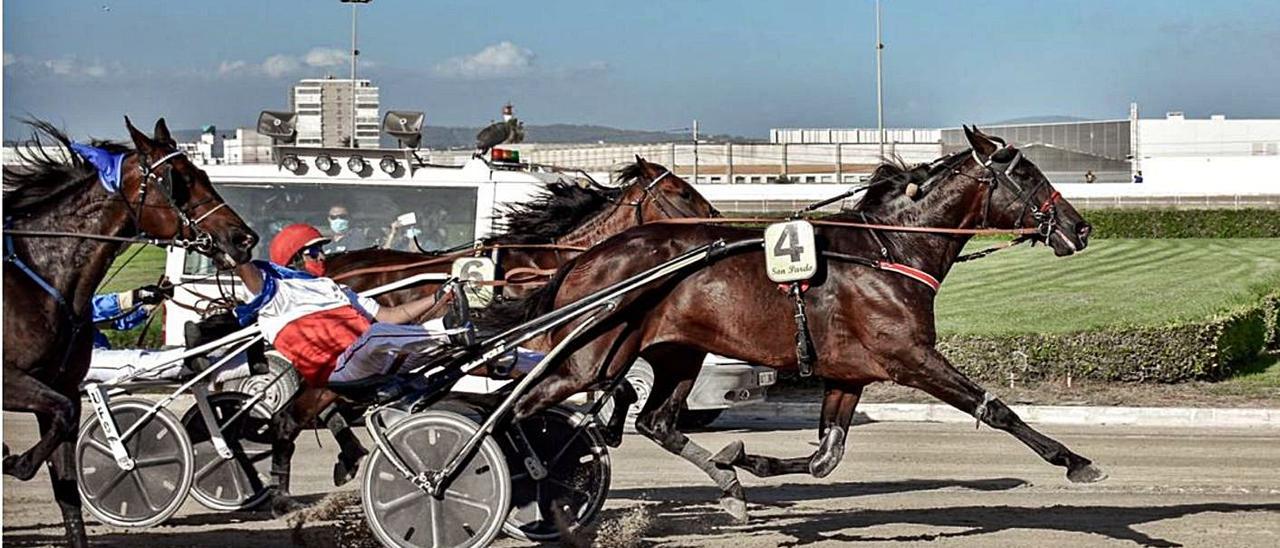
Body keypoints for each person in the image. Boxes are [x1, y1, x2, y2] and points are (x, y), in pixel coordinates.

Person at [234, 223, 469, 389]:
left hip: (372, 360)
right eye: (314, 252)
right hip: (337, 369)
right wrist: (236, 251)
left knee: (446, 351)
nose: (323, 257)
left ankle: (479, 340)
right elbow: (249, 273)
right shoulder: (276, 294)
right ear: (293, 259)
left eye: (322, 250)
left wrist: (439, 297)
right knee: (374, 334)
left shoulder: (334, 288)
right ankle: (448, 332)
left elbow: (388, 316)